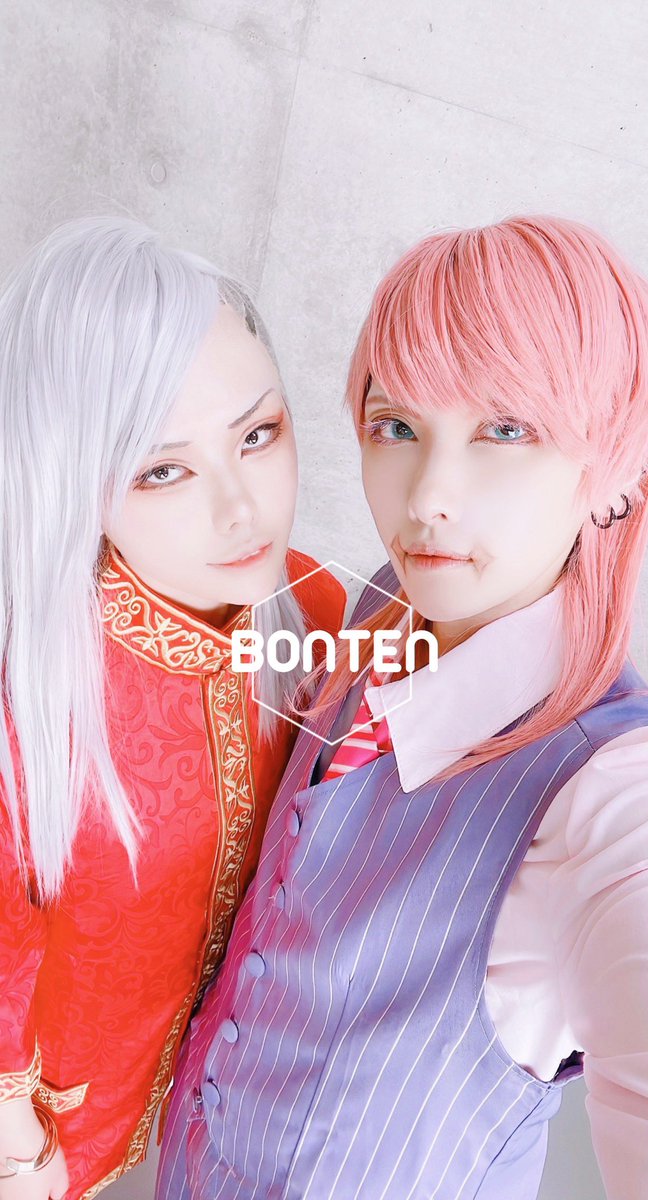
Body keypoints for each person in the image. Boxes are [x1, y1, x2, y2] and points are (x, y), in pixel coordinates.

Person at [158, 215, 648, 1200]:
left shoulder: (617, 796)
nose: (427, 496)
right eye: (396, 426)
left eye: (504, 430)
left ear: (614, 472)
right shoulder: (389, 600)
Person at [0, 216, 345, 1200]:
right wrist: (19, 1152)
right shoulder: (34, 693)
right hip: (53, 1136)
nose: (241, 508)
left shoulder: (313, 608)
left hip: (211, 1107)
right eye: (163, 469)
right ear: (76, 479)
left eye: (258, 435)